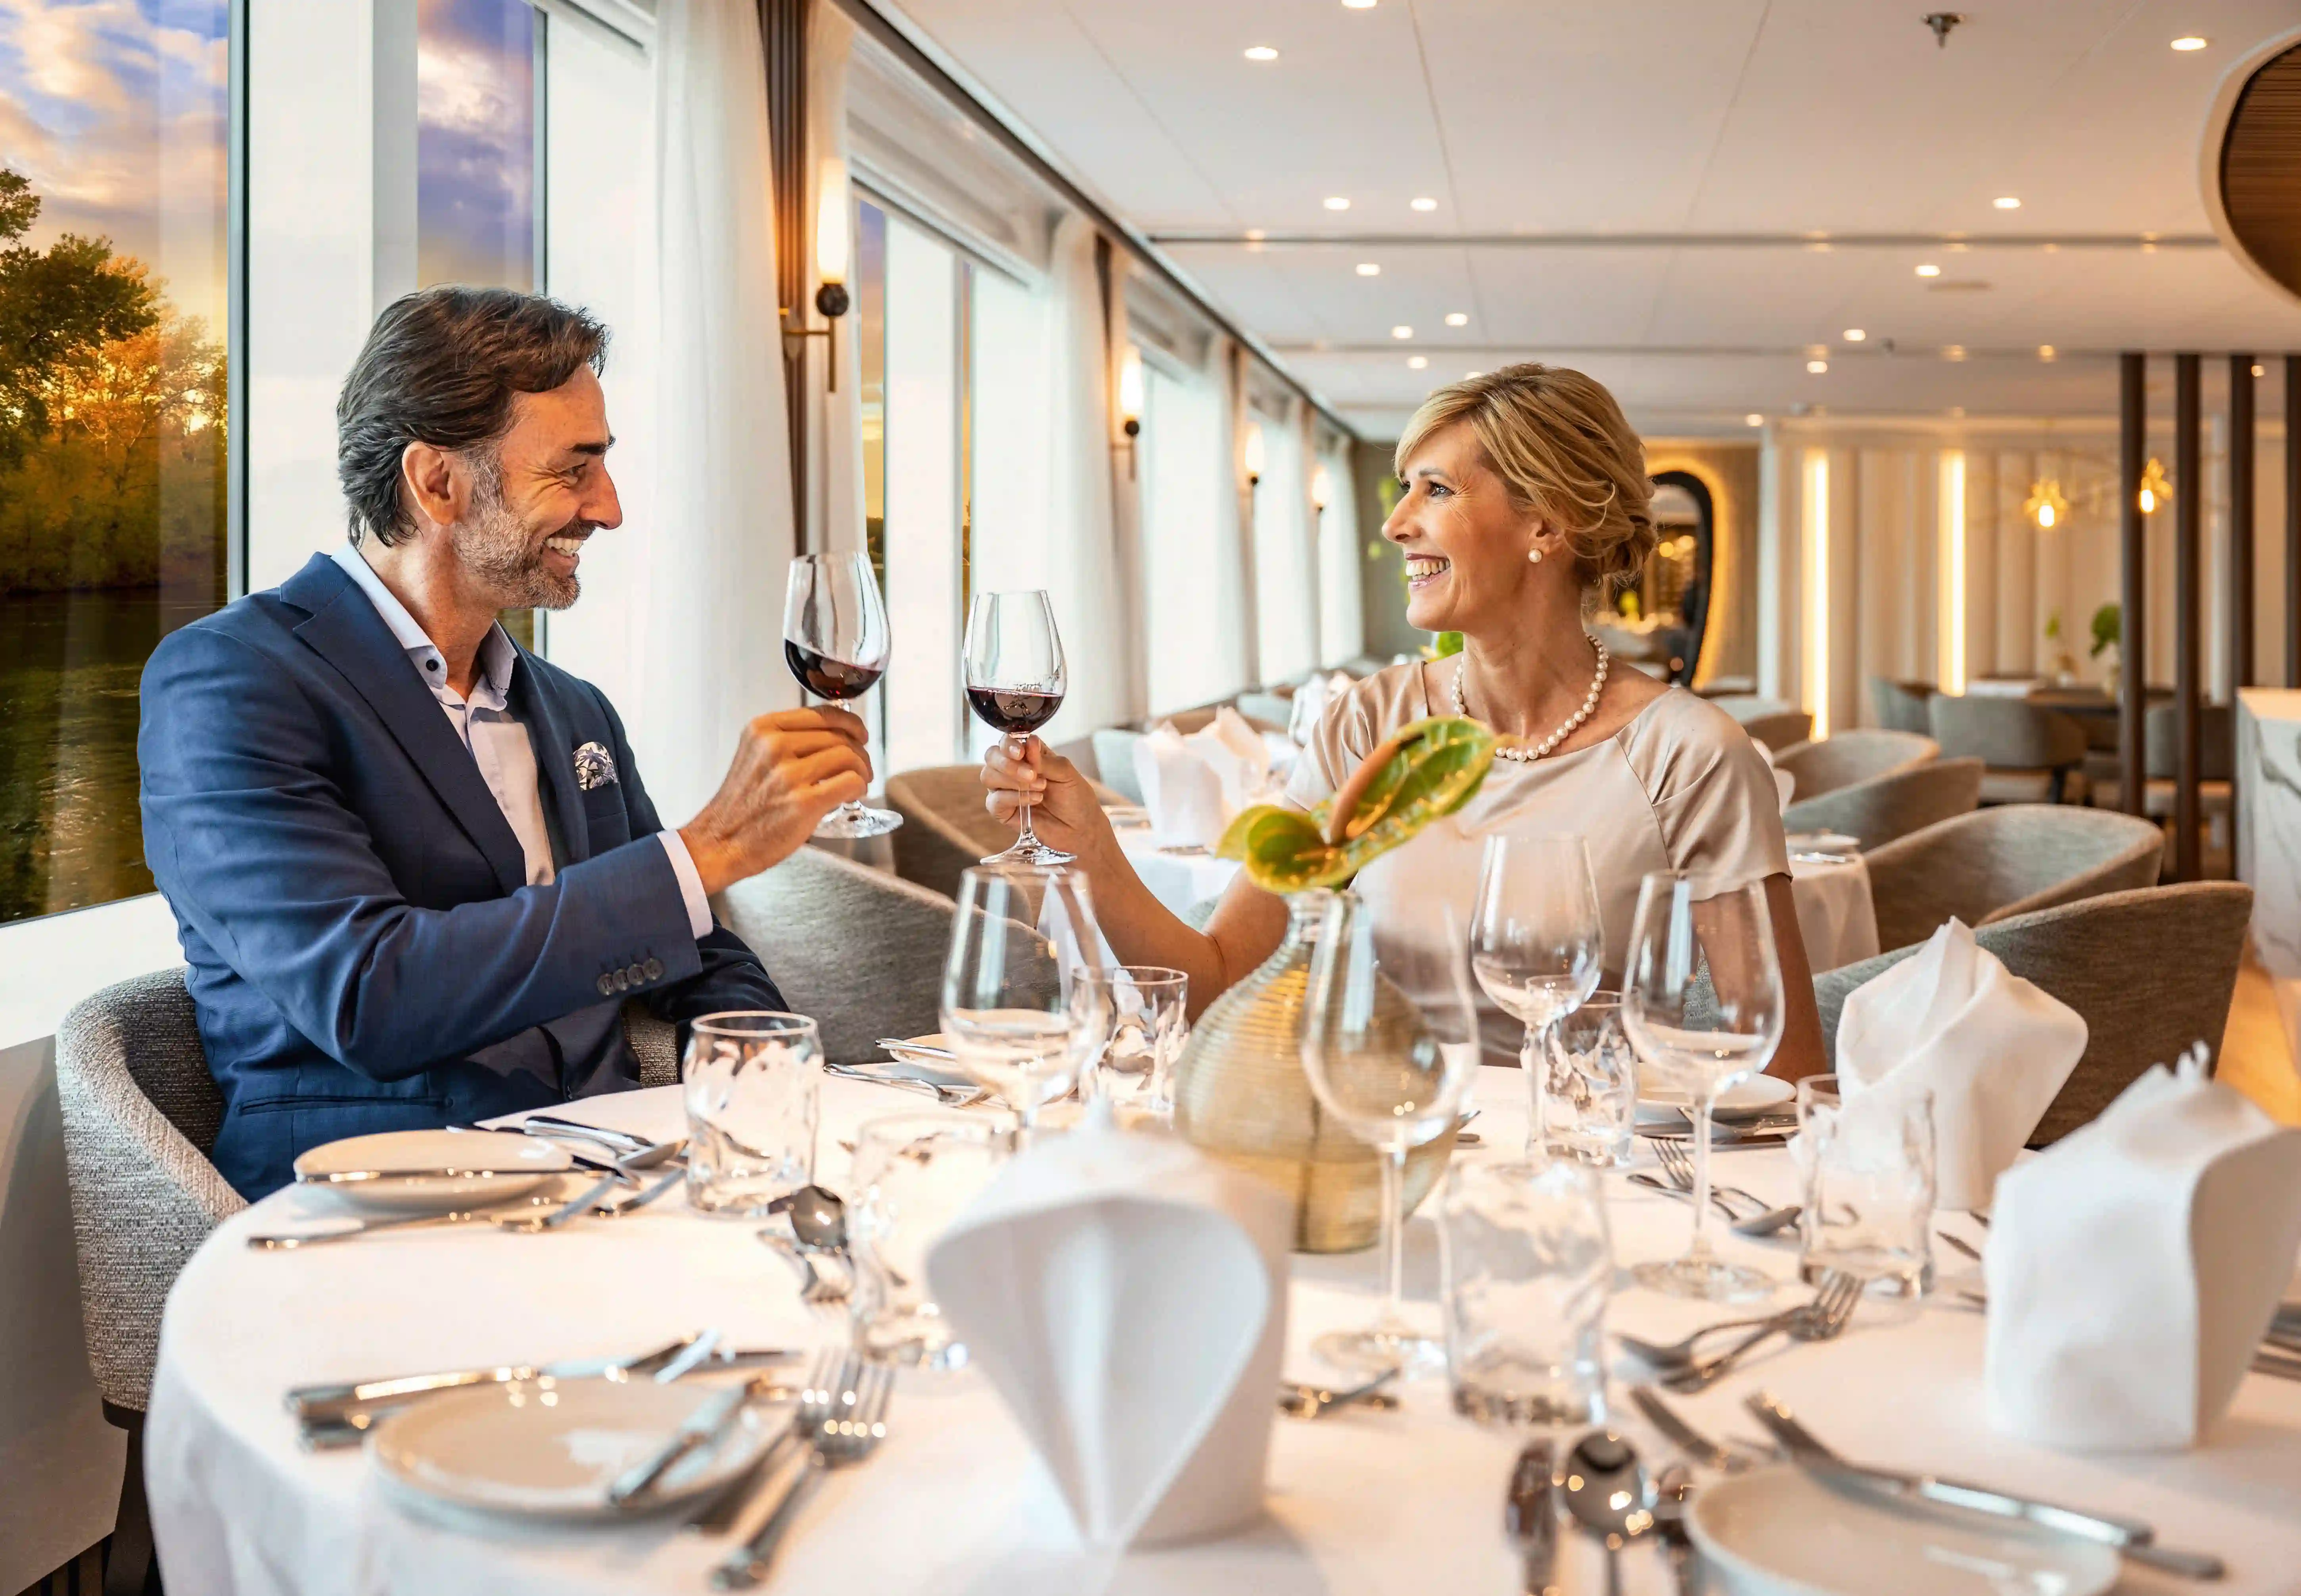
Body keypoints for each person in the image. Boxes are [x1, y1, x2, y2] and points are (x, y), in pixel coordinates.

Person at [140, 288, 872, 1199]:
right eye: (575, 470)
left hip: (608, 1187)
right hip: (367, 1214)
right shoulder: (231, 681)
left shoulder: (574, 708)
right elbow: (370, 995)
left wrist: (768, 1087)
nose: (609, 509)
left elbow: (695, 944)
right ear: (436, 482)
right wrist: (708, 848)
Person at [980, 362, 1827, 1078]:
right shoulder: (1369, 721)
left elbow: (1786, 1068)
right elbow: (1221, 979)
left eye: (1437, 489)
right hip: (1376, 1149)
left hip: (1587, 1169)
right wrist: (1091, 850)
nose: (1395, 523)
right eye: (1403, 489)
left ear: (1546, 522)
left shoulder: (1692, 756)